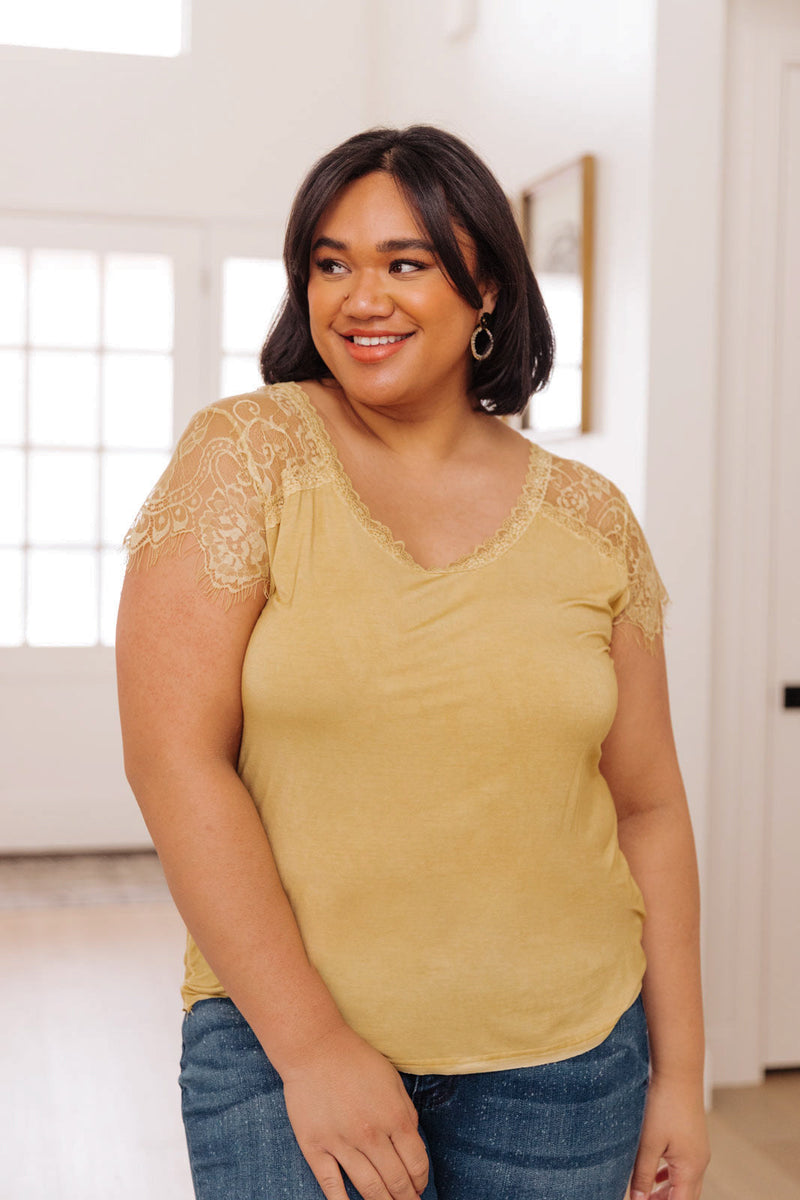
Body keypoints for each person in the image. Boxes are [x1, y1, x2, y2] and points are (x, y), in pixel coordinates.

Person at [116, 125, 710, 1200]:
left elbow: (648, 811)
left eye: (405, 262)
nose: (359, 297)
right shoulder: (247, 455)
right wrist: (309, 1048)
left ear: (484, 286)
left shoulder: (591, 519)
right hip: (279, 1047)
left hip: (566, 1065)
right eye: (330, 263)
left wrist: (680, 1074)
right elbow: (173, 760)